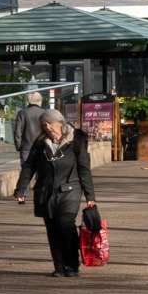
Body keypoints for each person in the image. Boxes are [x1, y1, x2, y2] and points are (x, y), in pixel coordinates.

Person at [14, 113, 96, 277]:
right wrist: (21, 189)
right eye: (44, 125)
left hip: (70, 190)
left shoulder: (76, 140)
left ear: (60, 123)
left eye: (50, 124)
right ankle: (59, 266)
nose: (47, 128)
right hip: (45, 192)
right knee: (52, 230)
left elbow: (84, 169)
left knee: (65, 224)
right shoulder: (41, 143)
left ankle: (72, 264)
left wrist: (90, 195)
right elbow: (29, 167)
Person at [13, 91, 47, 164]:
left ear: (28, 101)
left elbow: (18, 132)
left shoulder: (22, 113)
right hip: (41, 149)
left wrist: (19, 147)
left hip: (26, 149)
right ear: (40, 101)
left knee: (26, 173)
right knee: (41, 174)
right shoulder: (44, 113)